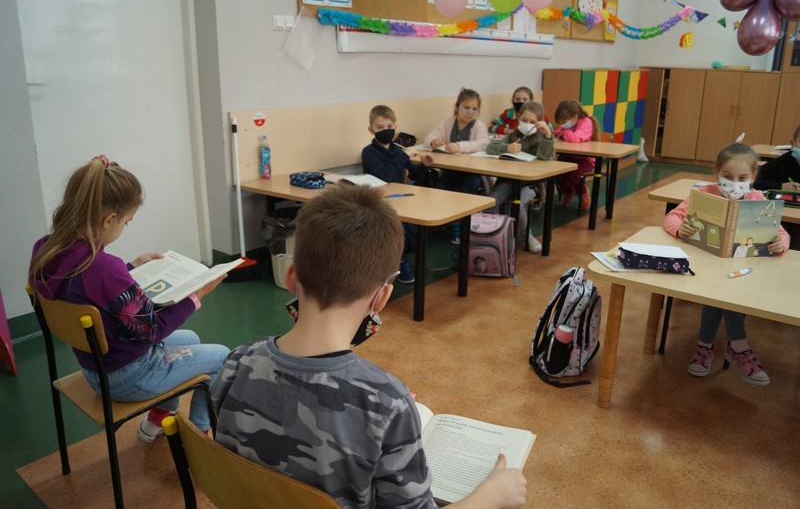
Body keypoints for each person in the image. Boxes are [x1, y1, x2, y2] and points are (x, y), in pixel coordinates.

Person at [209, 184, 527, 509]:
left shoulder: (237, 362)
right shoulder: (389, 403)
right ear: (382, 297)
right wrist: (493, 495)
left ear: (291, 277)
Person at [28, 155, 230, 441]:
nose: (124, 227)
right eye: (127, 222)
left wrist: (132, 266)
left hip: (96, 368)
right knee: (222, 356)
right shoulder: (103, 268)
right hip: (129, 376)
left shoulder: (47, 249)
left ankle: (158, 420)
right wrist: (194, 296)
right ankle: (198, 437)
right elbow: (153, 330)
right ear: (109, 219)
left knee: (191, 338)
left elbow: (88, 288)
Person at [663, 143, 790, 385]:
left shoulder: (758, 199)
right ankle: (738, 347)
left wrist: (780, 243)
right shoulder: (705, 194)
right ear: (717, 173)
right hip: (707, 264)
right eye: (728, 177)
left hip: (743, 269)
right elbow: (672, 216)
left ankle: (705, 345)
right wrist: (680, 229)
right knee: (718, 288)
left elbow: (781, 233)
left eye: (742, 178)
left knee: (726, 288)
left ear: (753, 176)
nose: (734, 183)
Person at [362, 104, 434, 284]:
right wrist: (404, 156)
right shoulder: (369, 153)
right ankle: (399, 261)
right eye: (379, 127)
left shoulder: (397, 150)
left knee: (414, 229)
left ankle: (402, 258)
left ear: (395, 126)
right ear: (371, 130)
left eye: (389, 126)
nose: (385, 130)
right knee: (399, 227)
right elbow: (384, 176)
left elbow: (415, 175)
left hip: (401, 199)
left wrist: (424, 165)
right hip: (379, 201)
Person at [486, 101, 554, 254]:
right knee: (493, 202)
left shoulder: (541, 138)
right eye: (524, 120)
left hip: (530, 185)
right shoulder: (514, 135)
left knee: (517, 204)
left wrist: (547, 135)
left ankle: (527, 236)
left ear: (539, 123)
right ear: (518, 118)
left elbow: (545, 157)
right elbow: (490, 148)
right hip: (509, 181)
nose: (527, 124)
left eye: (532, 122)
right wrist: (507, 148)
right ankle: (494, 238)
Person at [424, 88, 490, 194]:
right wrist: (433, 141)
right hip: (452, 169)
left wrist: (460, 147)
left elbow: (483, 143)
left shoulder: (479, 126)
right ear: (457, 107)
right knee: (441, 186)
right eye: (466, 108)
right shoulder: (448, 123)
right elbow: (430, 136)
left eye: (474, 109)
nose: (470, 112)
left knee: (469, 186)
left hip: (473, 171)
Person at [753, 123, 800, 250]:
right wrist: (780, 186)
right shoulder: (782, 163)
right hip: (783, 219)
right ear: (792, 144)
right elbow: (754, 180)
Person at [552, 100, 600, 212]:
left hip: (586, 159)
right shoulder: (569, 123)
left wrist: (564, 133)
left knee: (572, 173)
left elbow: (575, 138)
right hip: (570, 156)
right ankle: (569, 190)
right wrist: (550, 132)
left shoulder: (586, 122)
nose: (563, 125)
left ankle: (583, 192)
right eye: (561, 123)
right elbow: (559, 132)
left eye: (564, 122)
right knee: (555, 171)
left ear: (574, 117)